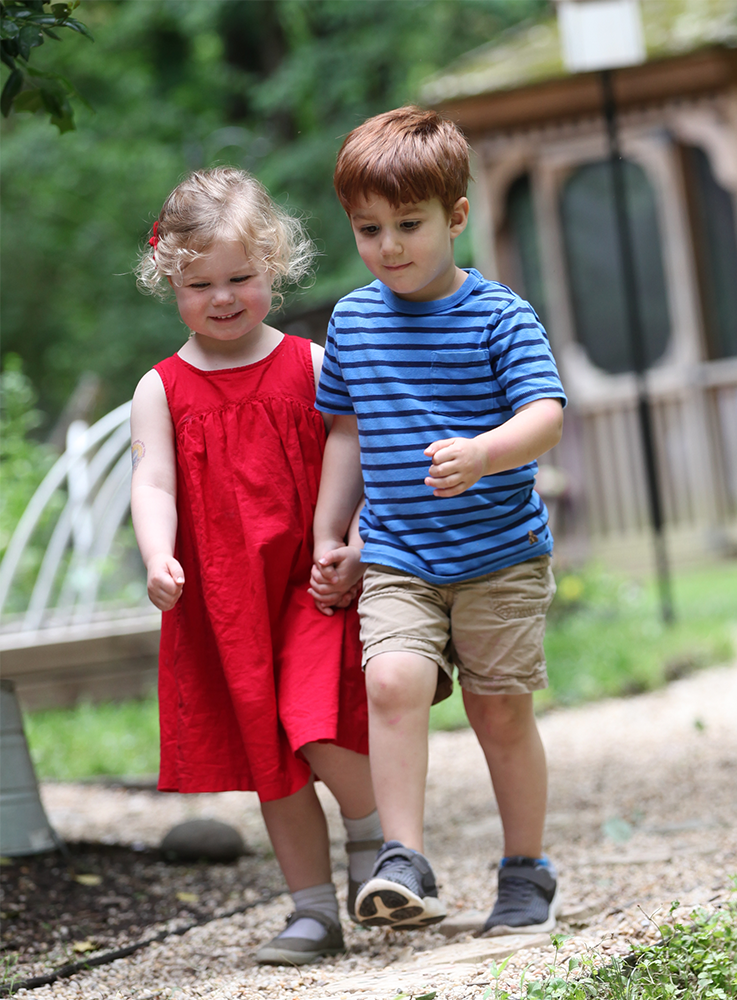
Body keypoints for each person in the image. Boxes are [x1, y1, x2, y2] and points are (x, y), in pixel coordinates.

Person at [310, 106, 566, 936]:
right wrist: (332, 534)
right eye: (369, 228)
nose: (389, 247)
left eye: (409, 225)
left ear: (457, 217)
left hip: (500, 554)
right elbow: (345, 434)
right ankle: (403, 859)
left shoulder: (499, 316)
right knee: (392, 681)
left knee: (499, 711)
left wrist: (486, 453)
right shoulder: (352, 321)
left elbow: (546, 414)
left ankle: (525, 871)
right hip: (398, 553)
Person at [130, 167, 381, 966]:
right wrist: (158, 554)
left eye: (241, 277)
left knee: (319, 724)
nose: (224, 297)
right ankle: (312, 910)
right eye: (201, 284)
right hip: (226, 601)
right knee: (270, 752)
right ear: (170, 279)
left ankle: (378, 850)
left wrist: (357, 541)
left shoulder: (310, 364)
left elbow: (361, 457)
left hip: (312, 582)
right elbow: (154, 479)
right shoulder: (162, 389)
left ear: (274, 264)